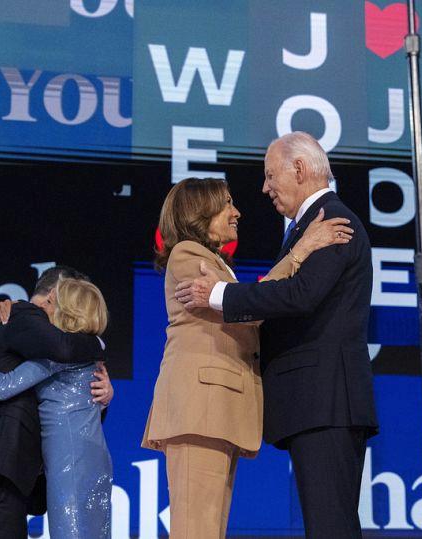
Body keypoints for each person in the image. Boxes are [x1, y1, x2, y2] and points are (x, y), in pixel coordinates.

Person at [175, 132, 378, 538]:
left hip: (326, 402)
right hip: (316, 403)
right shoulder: (307, 227)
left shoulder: (331, 221)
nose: (264, 188)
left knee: (331, 527)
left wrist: (218, 294)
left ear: (299, 169)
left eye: (270, 176)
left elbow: (300, 295)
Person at [142, 177, 355, 538]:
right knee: (197, 529)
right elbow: (246, 308)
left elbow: (242, 301)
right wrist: (300, 252)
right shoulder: (187, 254)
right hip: (199, 411)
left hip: (215, 411)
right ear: (200, 211)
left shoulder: (217, 263)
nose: (236, 212)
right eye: (226, 203)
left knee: (209, 528)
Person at [0, 266, 113, 539]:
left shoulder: (60, 351)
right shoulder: (22, 314)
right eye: (70, 294)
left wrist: (104, 395)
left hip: (8, 476)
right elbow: (63, 350)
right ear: (54, 295)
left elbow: (69, 394)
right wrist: (98, 345)